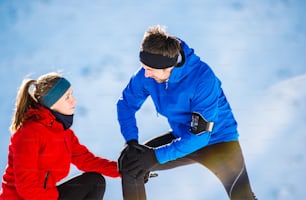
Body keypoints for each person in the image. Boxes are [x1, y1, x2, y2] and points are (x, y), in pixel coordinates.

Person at [117, 25, 257, 200]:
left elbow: (200, 136)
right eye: (143, 67)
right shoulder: (148, 73)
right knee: (132, 166)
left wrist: (155, 156)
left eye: (149, 69)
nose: (145, 74)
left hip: (219, 143)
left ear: (168, 67)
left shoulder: (203, 79)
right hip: (182, 137)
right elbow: (126, 105)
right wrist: (131, 141)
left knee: (242, 197)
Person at [0, 72, 120, 200]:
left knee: (94, 182)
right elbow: (26, 187)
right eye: (67, 97)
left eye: (71, 94)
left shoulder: (63, 133)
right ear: (52, 103)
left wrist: (123, 170)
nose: (74, 100)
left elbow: (87, 160)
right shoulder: (29, 133)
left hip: (47, 197)